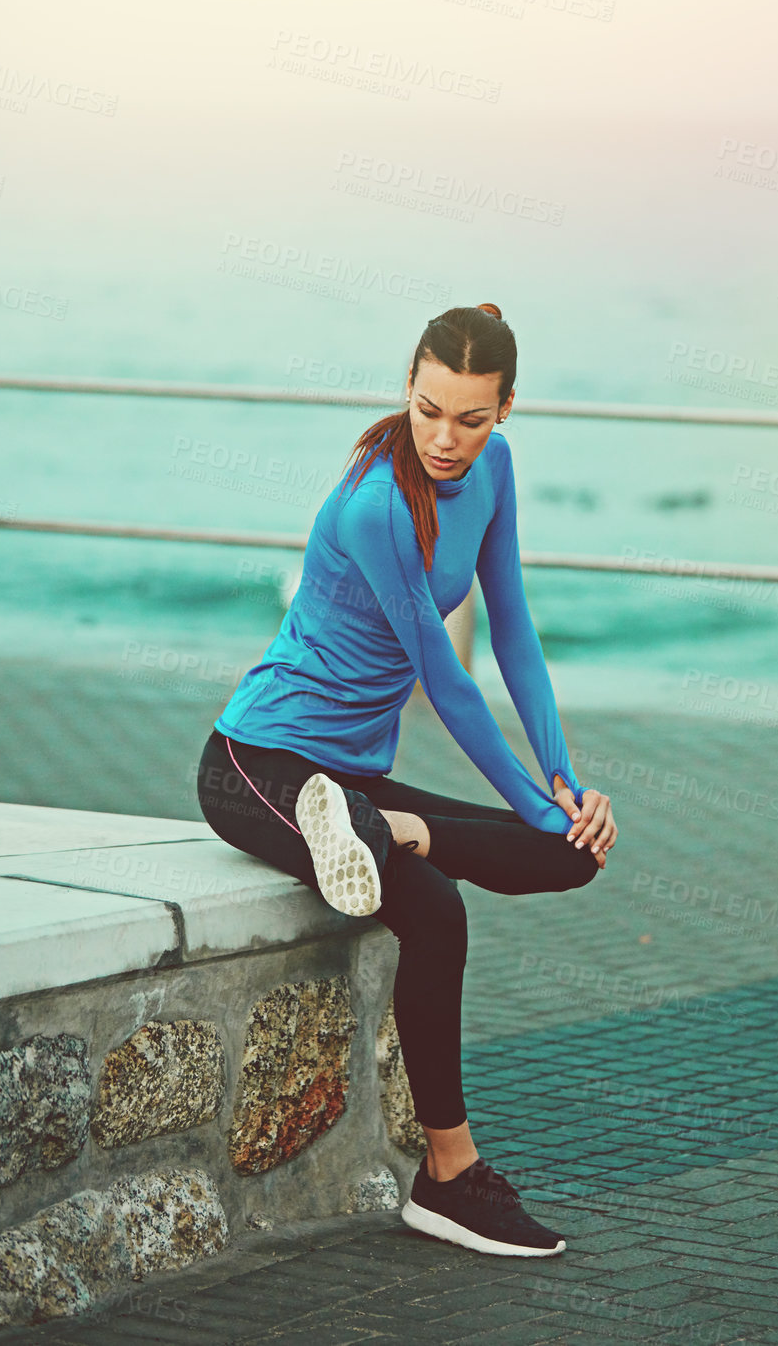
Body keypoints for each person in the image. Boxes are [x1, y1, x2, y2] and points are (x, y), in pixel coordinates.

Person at [197, 303, 617, 1257]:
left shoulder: (492, 472)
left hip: (350, 780)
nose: (445, 437)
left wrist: (560, 787)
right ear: (410, 389)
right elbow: (444, 678)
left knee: (571, 856)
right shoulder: (380, 502)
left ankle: (390, 829)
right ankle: (450, 1177)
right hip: (256, 762)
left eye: (471, 418)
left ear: (507, 407)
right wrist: (529, 796)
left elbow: (511, 628)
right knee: (437, 911)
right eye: (429, 409)